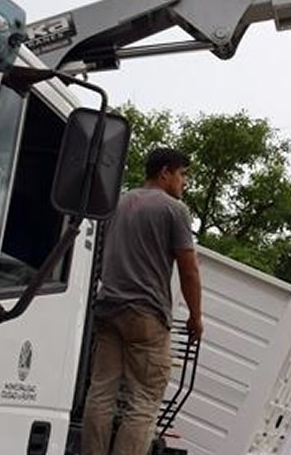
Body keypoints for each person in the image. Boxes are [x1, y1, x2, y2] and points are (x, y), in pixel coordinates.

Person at [82, 147, 203, 455]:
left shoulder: (119, 202)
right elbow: (189, 270)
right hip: (145, 315)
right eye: (182, 174)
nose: (184, 182)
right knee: (144, 400)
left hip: (108, 308)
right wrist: (195, 316)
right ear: (165, 173)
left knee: (101, 392)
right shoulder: (175, 210)